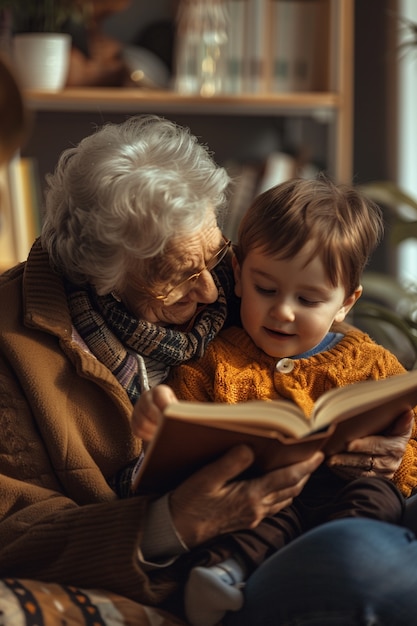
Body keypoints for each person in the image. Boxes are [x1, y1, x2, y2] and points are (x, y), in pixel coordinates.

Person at [0, 108, 417, 626]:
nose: (212, 289)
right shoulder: (14, 350)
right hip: (217, 561)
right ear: (99, 275)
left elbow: (328, 342)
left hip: (327, 501)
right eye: (175, 276)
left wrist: (383, 442)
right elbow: (13, 528)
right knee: (364, 565)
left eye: (216, 257)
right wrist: (169, 523)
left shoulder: (237, 277)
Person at [132, 177, 417, 626]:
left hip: (344, 499)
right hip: (261, 500)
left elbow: (412, 442)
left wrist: (395, 463)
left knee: (377, 497)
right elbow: (182, 435)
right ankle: (222, 574)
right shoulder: (214, 360)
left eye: (308, 299)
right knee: (258, 517)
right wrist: (161, 421)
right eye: (266, 289)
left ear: (346, 303)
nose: (283, 311)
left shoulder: (374, 365)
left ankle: (326, 559)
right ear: (240, 275)